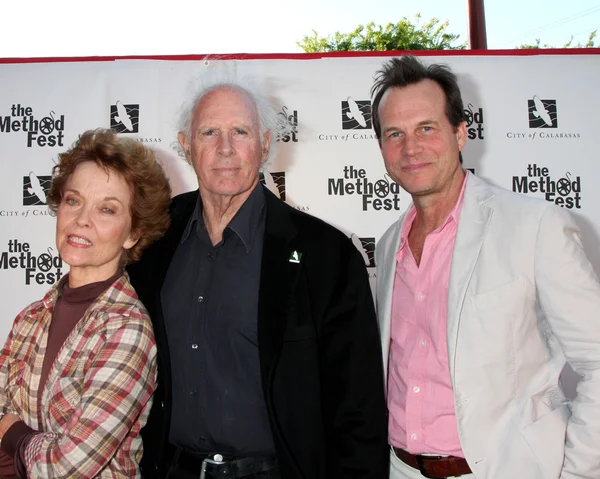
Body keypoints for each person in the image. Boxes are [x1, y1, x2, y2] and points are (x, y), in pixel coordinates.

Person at [127, 79, 388, 479]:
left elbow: (358, 408)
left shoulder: (326, 255)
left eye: (241, 132)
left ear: (265, 144)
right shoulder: (152, 240)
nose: (225, 148)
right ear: (186, 144)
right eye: (209, 132)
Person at [372, 54, 600, 479]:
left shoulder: (534, 226)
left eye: (426, 128)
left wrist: (578, 473)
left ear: (460, 133)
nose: (410, 148)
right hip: (399, 468)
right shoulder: (388, 246)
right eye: (394, 134)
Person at [0, 129, 171, 478]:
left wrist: (13, 436)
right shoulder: (31, 318)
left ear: (133, 234)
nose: (81, 220)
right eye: (74, 200)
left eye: (106, 209)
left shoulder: (127, 328)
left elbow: (69, 467)